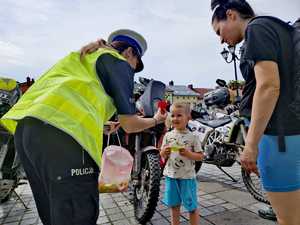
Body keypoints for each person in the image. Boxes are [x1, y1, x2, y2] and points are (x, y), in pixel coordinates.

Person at [0, 29, 167, 225]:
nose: (132, 69)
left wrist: (102, 125)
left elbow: (68, 98)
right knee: (78, 216)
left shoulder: (82, 57)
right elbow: (129, 124)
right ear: (130, 52)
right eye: (135, 65)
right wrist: (156, 119)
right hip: (65, 139)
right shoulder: (117, 62)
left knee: (54, 217)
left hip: (28, 133)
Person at [210, 1, 300, 225]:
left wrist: (250, 146)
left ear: (230, 15)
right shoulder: (278, 29)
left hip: (278, 137)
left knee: (288, 219)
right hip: (290, 134)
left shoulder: (256, 28)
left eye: (219, 31)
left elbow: (269, 86)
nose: (221, 39)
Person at [160, 102, 204, 225]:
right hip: (171, 176)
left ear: (188, 118)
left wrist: (189, 154)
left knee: (192, 207)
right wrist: (164, 152)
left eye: (179, 115)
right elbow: (162, 155)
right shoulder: (168, 136)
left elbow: (201, 156)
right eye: (172, 115)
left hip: (187, 177)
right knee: (174, 206)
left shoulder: (193, 137)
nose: (175, 118)